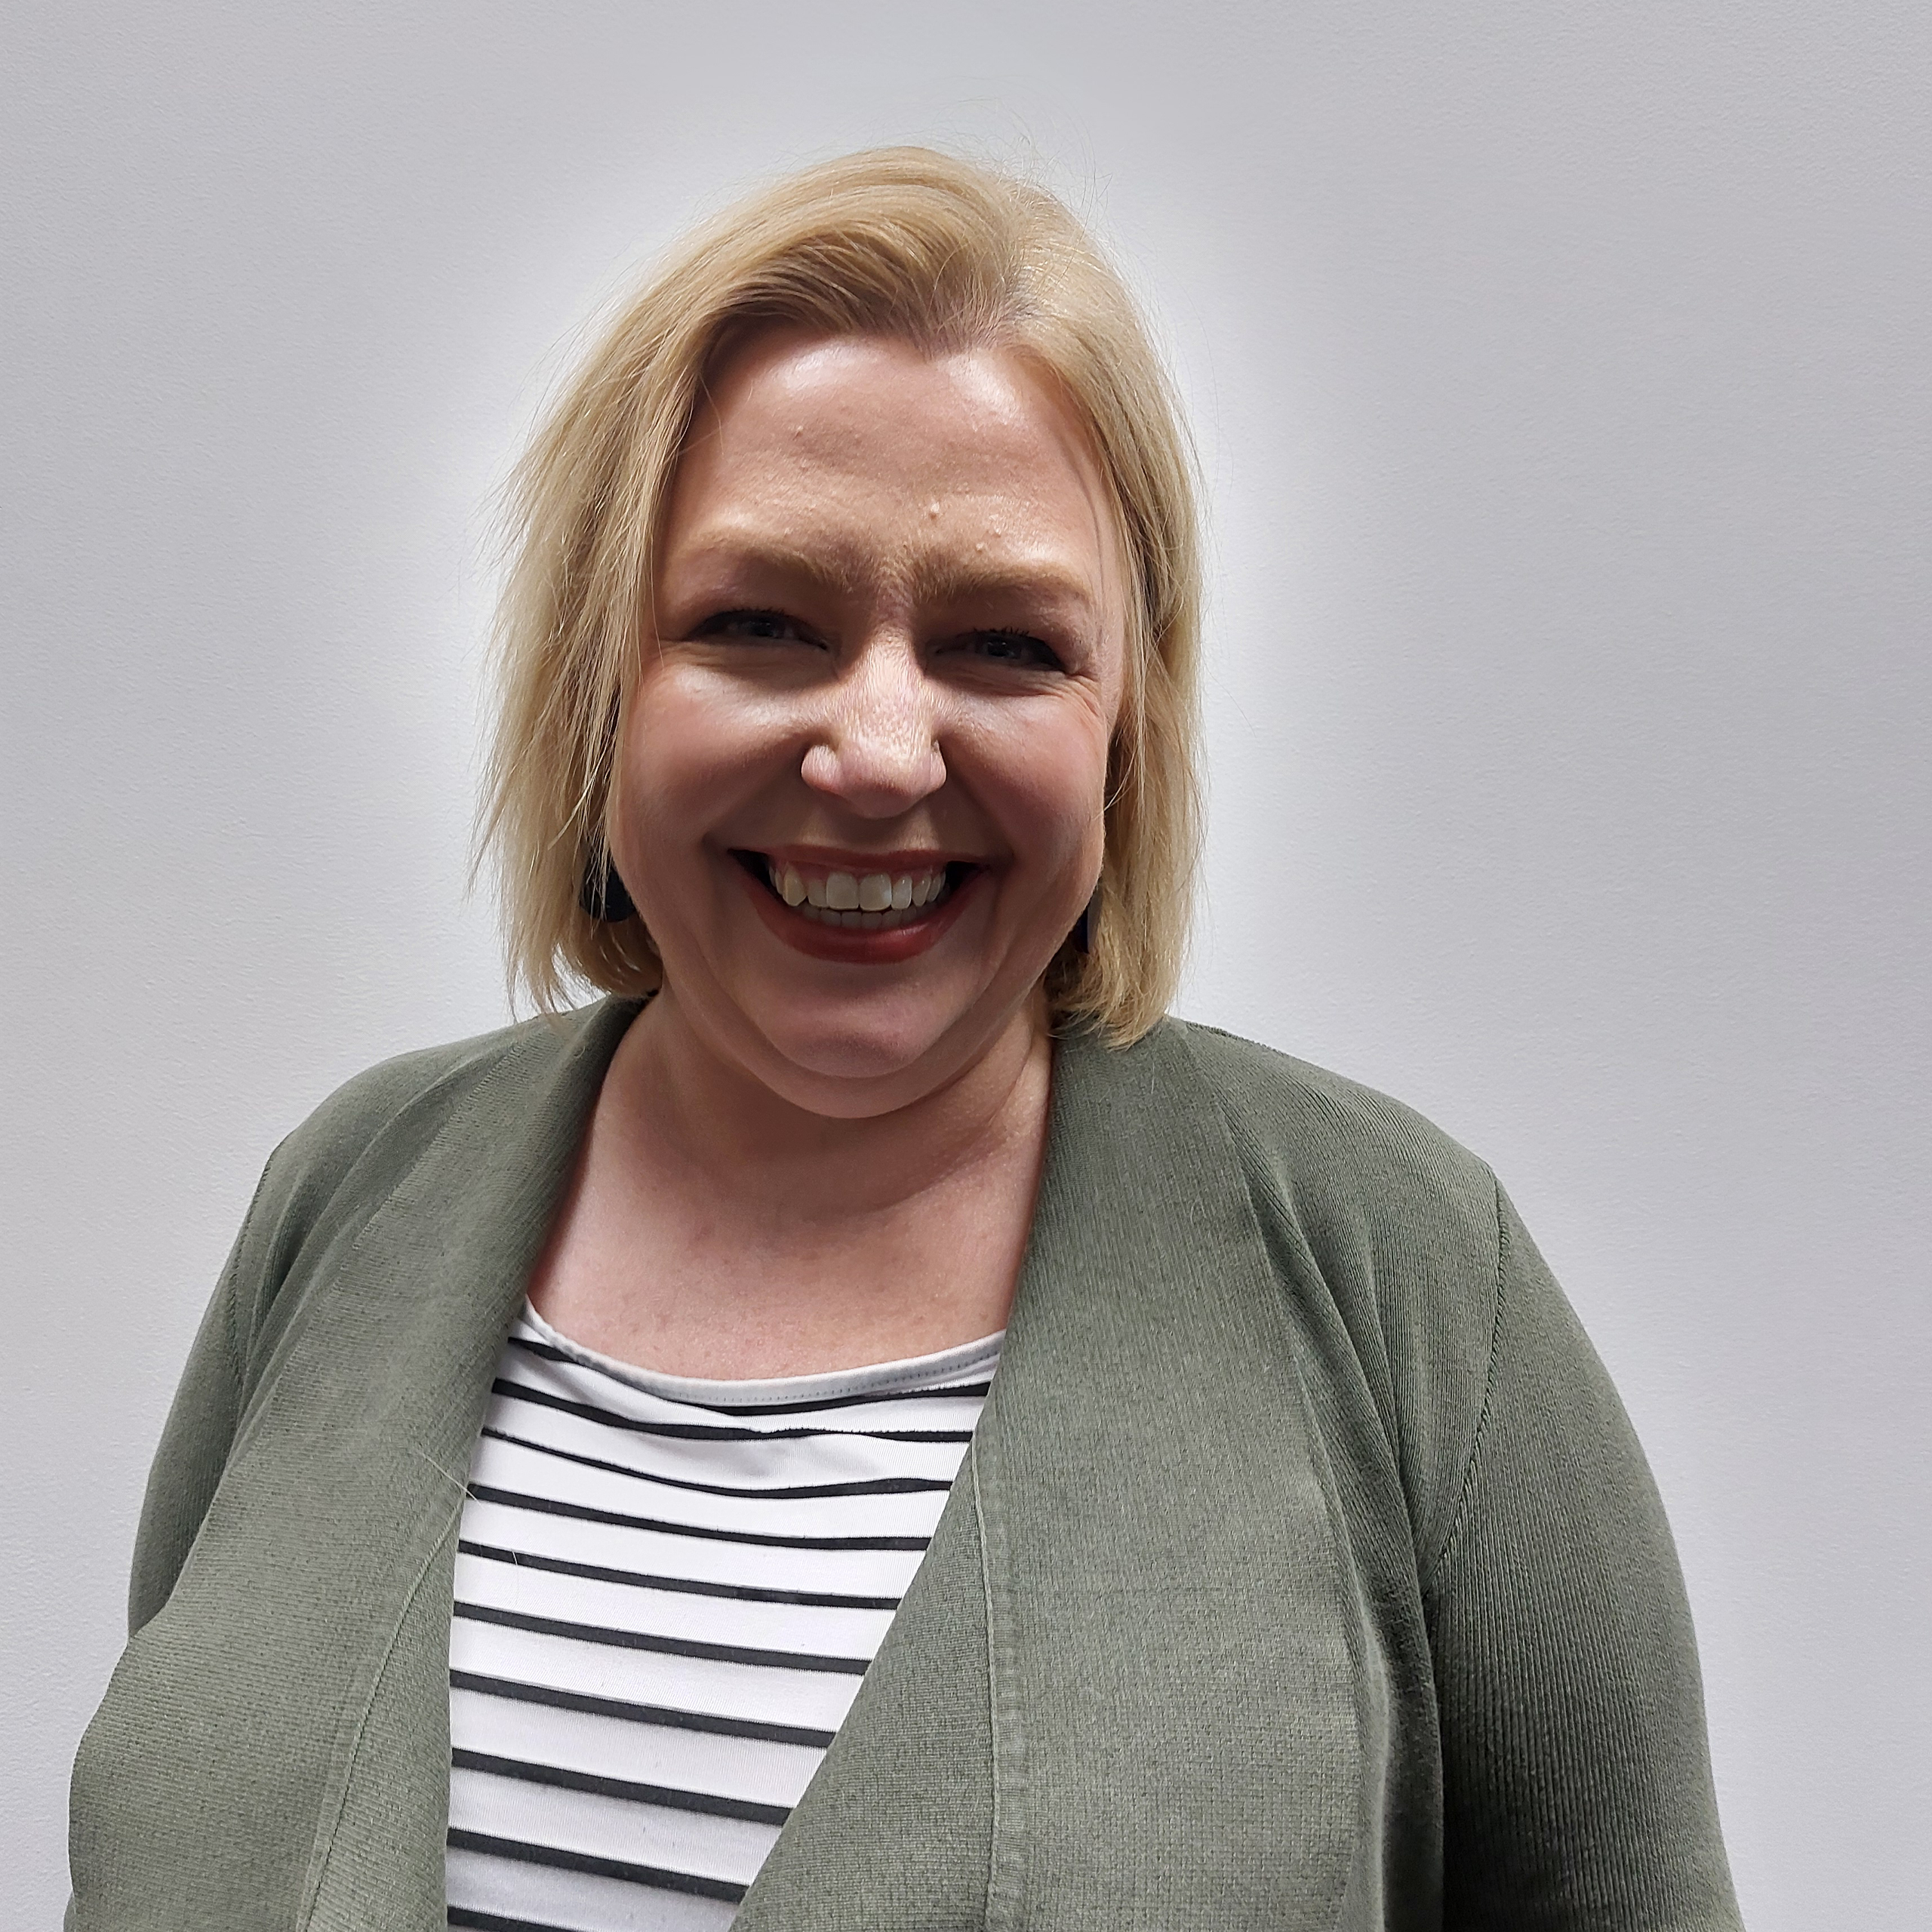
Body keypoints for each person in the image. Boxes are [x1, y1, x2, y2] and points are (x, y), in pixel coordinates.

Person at [67, 149, 1744, 1932]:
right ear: (596, 675)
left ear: (1123, 728)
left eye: (1003, 643)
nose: (878, 750)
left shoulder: (1403, 1276)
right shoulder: (351, 1196)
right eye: (760, 623)